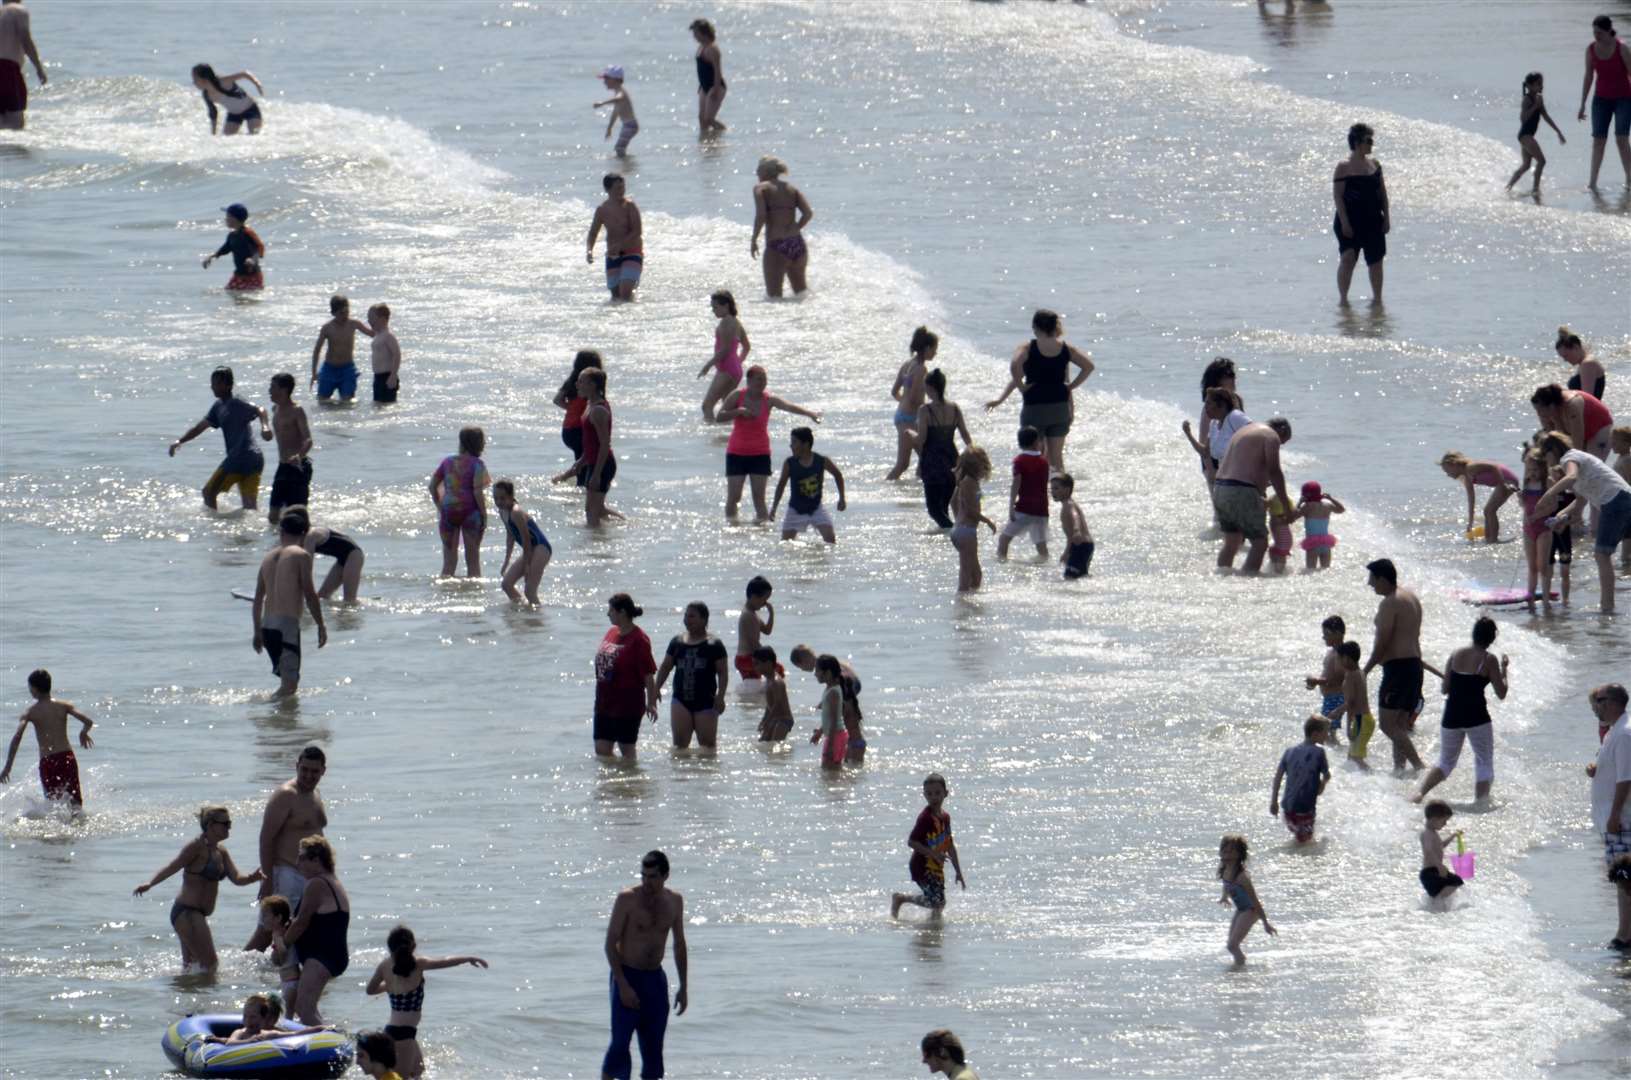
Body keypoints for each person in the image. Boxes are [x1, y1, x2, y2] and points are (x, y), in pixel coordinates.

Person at [133, 805, 262, 970]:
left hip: (196, 915)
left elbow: (237, 878)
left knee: (190, 969)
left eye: (230, 823)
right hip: (187, 913)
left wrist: (254, 877)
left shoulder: (221, 851)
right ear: (210, 825)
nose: (229, 827)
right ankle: (208, 995)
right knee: (210, 965)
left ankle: (185, 994)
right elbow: (173, 866)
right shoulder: (196, 847)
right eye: (225, 823)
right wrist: (150, 884)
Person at [602, 850, 688, 1080]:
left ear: (665, 876)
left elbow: (679, 945)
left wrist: (683, 986)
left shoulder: (674, 901)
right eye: (643, 876)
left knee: (653, 1050)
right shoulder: (627, 899)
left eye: (652, 877)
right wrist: (622, 985)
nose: (646, 882)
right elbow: (610, 945)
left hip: (655, 980)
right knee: (620, 1044)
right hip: (627, 975)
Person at [365, 925, 489, 1079]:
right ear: (413, 946)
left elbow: (370, 990)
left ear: (390, 949)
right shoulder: (419, 963)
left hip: (393, 1031)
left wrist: (388, 986)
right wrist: (469, 958)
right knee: (400, 1078)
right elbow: (445, 961)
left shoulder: (383, 966)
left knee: (418, 1071)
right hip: (404, 1035)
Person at [984, 309, 1096, 473]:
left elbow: (1015, 367)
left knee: (1035, 456)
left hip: (1035, 409)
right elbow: (1089, 366)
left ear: (1036, 327)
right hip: (1059, 409)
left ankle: (1038, 494)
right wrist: (1070, 387)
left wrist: (1020, 388)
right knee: (1056, 459)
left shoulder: (1029, 348)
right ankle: (1062, 495)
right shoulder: (1066, 349)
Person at [1413, 617, 1508, 805]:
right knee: (1484, 761)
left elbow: (1444, 689)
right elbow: (1501, 693)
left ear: (1474, 633)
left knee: (1445, 762)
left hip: (1451, 716)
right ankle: (1480, 803)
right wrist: (1504, 670)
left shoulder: (1455, 654)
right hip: (1476, 717)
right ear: (1491, 639)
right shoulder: (1489, 660)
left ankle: (1419, 794)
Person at [1532, 430, 1631, 612]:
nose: (1546, 463)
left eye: (1545, 457)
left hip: (1615, 502)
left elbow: (1571, 477)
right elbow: (1579, 504)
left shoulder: (1570, 457)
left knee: (1602, 555)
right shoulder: (1577, 461)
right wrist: (1561, 517)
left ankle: (1607, 607)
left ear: (1552, 451)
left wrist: (1547, 495)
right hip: (1624, 500)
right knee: (1605, 555)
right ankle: (1608, 605)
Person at [244, 747, 327, 953]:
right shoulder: (286, 795)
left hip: (310, 877)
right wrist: (267, 880)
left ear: (323, 771)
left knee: (300, 929)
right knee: (267, 930)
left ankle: (281, 971)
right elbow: (266, 839)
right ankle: (241, 971)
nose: (309, 775)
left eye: (314, 771)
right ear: (296, 766)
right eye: (304, 769)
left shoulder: (315, 793)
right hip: (286, 873)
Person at [717, 365, 821, 522]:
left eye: (765, 379)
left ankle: (762, 533)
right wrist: (738, 412)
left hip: (760, 454)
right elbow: (720, 417)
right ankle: (732, 528)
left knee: (759, 498)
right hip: (736, 453)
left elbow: (789, 406)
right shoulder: (737, 396)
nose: (763, 382)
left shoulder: (768, 400)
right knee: (734, 497)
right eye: (759, 379)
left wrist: (810, 414)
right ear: (749, 380)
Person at [1362, 559, 1431, 772]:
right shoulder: (1411, 597)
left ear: (1382, 578)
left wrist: (1365, 670)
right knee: (1400, 725)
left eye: (1372, 579)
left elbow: (1382, 642)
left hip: (1398, 670)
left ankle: (1419, 767)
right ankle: (1399, 771)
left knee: (1387, 725)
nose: (1369, 584)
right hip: (1414, 667)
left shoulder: (1389, 602)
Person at [169, 366, 269, 511]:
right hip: (255, 459)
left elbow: (260, 410)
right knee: (249, 508)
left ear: (228, 385)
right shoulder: (218, 407)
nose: (212, 387)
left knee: (208, 493)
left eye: (216, 383)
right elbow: (199, 428)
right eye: (212, 383)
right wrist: (180, 441)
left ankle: (214, 527)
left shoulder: (236, 402)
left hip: (240, 457)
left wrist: (265, 427)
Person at [252, 511, 327, 697]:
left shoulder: (267, 557)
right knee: (290, 686)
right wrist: (321, 625)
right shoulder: (301, 555)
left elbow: (258, 598)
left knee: (288, 682)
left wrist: (256, 631)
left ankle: (279, 722)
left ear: (281, 532)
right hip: (286, 627)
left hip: (267, 626)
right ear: (304, 534)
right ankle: (269, 715)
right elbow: (310, 594)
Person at [0, 669, 93, 812]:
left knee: (53, 805)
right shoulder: (64, 706)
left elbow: (17, 737)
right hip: (67, 757)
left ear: (34, 689)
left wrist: (8, 767)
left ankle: (62, 833)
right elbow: (88, 721)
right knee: (75, 804)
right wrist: (83, 733)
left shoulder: (30, 712)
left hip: (48, 761)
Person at [282, 835, 349, 1025]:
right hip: (327, 955)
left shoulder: (318, 884)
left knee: (304, 1008)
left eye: (301, 858)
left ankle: (334, 1050)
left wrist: (283, 945)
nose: (297, 863)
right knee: (303, 1007)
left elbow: (301, 922)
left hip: (323, 957)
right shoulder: (329, 880)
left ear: (316, 859)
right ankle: (326, 1038)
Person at [1211, 417, 1293, 574]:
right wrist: (1285, 505)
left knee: (1232, 542)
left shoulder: (1244, 431)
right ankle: (1247, 585)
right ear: (1281, 430)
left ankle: (1222, 577)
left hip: (1221, 488)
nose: (1279, 445)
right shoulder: (1270, 435)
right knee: (1260, 543)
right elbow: (1274, 471)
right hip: (1241, 489)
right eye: (1282, 442)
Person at [1586, 684, 1631, 948]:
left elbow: (1626, 779)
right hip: (1613, 819)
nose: (1597, 706)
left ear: (1613, 702)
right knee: (1622, 878)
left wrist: (1614, 815)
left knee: (1625, 876)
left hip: (1622, 819)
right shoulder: (1615, 731)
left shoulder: (1624, 733)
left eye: (1600, 701)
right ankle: (1624, 931)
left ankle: (1625, 935)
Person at [654, 602, 729, 750]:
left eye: (692, 616)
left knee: (707, 747)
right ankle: (680, 773)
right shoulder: (677, 642)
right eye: (686, 616)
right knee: (679, 747)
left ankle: (706, 773)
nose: (687, 620)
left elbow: (723, 673)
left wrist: (720, 696)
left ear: (704, 619)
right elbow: (665, 667)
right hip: (680, 700)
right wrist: (656, 688)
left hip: (707, 701)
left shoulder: (714, 645)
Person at [553, 366, 621, 528]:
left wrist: (596, 474)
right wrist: (581, 462)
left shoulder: (598, 410)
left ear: (592, 385)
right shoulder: (589, 405)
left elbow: (604, 444)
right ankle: (624, 525)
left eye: (581, 381)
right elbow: (592, 443)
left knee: (592, 512)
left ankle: (596, 548)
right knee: (596, 509)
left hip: (603, 465)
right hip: (593, 461)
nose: (577, 385)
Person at [593, 594, 659, 761]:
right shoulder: (611, 632)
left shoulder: (639, 639)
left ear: (622, 612)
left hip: (627, 704)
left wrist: (651, 703)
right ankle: (613, 785)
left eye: (611, 611)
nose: (608, 614)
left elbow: (648, 674)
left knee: (626, 750)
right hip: (604, 702)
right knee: (602, 749)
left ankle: (631, 785)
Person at [891, 773, 966, 918]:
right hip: (921, 866)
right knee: (936, 902)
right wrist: (934, 854)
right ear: (924, 795)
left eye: (938, 793)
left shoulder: (945, 818)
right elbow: (911, 842)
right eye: (929, 794)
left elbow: (950, 845)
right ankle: (901, 899)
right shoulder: (925, 818)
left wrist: (958, 871)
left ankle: (932, 932)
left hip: (936, 867)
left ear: (946, 794)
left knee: (939, 904)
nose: (934, 797)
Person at [1332, 122, 1389, 304]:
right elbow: (1338, 197)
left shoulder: (1375, 165)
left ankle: (1377, 300)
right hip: (1349, 221)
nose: (1371, 144)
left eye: (1372, 140)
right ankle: (1343, 300)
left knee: (1376, 262)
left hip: (1373, 220)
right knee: (1348, 259)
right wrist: (1345, 222)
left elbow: (1383, 194)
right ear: (1357, 142)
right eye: (1368, 140)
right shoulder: (1343, 167)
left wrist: (1386, 218)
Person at [912, 367, 973, 530]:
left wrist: (909, 434)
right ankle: (951, 539)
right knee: (943, 506)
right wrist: (972, 454)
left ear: (931, 388)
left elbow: (921, 439)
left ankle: (956, 532)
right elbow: (965, 435)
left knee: (934, 510)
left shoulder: (925, 410)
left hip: (932, 463)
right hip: (952, 461)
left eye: (926, 387)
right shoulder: (954, 408)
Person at [1578, 14, 1631, 190]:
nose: (1596, 36)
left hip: (1624, 98)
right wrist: (1582, 104)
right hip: (1600, 100)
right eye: (1594, 32)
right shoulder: (1591, 50)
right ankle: (1592, 183)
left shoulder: (1621, 48)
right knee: (1598, 140)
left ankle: (1629, 179)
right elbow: (1588, 77)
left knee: (1621, 139)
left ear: (1609, 31)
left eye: (1599, 32)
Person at [1180, 359, 1245, 499]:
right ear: (1216, 381)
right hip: (1214, 463)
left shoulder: (1237, 400)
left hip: (1234, 461)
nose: (1233, 378)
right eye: (1228, 375)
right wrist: (1211, 471)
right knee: (1222, 510)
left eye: (1233, 374)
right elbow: (1204, 443)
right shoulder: (1211, 406)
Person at [430, 427, 490, 578]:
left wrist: (439, 505)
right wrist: (484, 514)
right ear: (478, 444)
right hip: (470, 511)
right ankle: (475, 594)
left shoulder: (447, 462)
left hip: (449, 510)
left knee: (449, 562)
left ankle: (445, 592)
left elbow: (432, 486)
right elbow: (477, 491)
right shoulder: (477, 464)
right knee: (473, 561)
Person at [788, 645, 865, 762]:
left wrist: (822, 731)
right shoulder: (829, 661)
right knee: (848, 718)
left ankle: (847, 741)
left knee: (841, 715)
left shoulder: (825, 667)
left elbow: (834, 717)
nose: (803, 670)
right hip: (853, 682)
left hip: (849, 683)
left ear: (803, 661)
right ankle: (850, 740)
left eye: (800, 667)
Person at [770, 427, 846, 543]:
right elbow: (781, 486)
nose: (791, 446)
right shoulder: (790, 463)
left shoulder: (821, 461)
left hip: (816, 509)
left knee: (831, 540)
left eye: (794, 442)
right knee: (785, 544)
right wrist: (774, 508)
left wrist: (842, 498)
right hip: (795, 510)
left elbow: (838, 475)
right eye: (791, 442)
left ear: (805, 444)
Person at [751, 156, 813, 298]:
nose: (756, 174)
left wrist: (754, 239)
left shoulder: (761, 188)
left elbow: (761, 215)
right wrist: (795, 228)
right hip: (797, 244)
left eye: (758, 170)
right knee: (802, 295)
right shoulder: (791, 188)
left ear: (765, 171)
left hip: (777, 245)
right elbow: (808, 213)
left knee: (774, 298)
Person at [1216, 835, 1276, 967]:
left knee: (1232, 945)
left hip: (1251, 910)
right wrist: (1224, 896)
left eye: (1231, 850)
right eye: (1224, 849)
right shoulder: (1225, 869)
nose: (1226, 852)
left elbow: (1255, 900)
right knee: (1230, 945)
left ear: (1238, 854)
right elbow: (1226, 884)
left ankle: (1240, 969)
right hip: (1241, 909)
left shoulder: (1242, 877)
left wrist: (1265, 923)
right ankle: (1240, 966)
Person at [1271, 715, 1332, 844]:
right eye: (1326, 733)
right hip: (1305, 810)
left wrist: (1274, 802)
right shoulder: (1319, 752)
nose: (1327, 736)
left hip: (1288, 809)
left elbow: (1277, 778)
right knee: (1306, 844)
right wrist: (1324, 782)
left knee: (1301, 841)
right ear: (1315, 734)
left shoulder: (1289, 751)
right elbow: (1323, 782)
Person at [887, 327, 938, 480]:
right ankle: (887, 487)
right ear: (927, 348)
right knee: (903, 464)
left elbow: (894, 391)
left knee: (926, 459)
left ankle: (918, 490)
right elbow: (916, 399)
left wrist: (904, 402)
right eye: (934, 349)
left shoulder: (907, 364)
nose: (935, 353)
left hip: (902, 416)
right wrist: (930, 412)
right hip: (909, 420)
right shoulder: (921, 369)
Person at [996, 426, 1051, 563]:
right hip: (1042, 508)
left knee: (1004, 539)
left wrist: (1010, 507)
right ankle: (1045, 567)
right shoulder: (1044, 462)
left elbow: (1016, 483)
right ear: (1036, 442)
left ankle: (1002, 564)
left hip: (1025, 507)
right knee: (1041, 545)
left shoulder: (1019, 461)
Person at [265, 373, 313, 527]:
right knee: (273, 516)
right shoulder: (274, 409)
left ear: (284, 390)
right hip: (282, 467)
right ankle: (278, 543)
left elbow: (308, 439)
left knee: (297, 516)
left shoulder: (296, 410)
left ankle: (302, 543)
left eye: (273, 387)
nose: (269, 391)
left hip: (298, 467)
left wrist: (299, 455)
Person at [493, 480, 552, 605]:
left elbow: (526, 540)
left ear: (511, 496)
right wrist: (506, 561)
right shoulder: (502, 511)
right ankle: (524, 612)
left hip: (541, 548)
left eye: (502, 498)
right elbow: (510, 536)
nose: (498, 502)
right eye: (496, 498)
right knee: (506, 584)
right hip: (531, 550)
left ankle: (537, 618)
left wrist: (527, 566)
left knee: (529, 591)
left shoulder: (516, 512)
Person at [1438, 452, 1519, 542]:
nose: (1447, 475)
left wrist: (1503, 483)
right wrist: (1470, 523)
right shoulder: (1467, 478)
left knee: (1490, 510)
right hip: (1502, 483)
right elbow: (1471, 500)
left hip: (1507, 481)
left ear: (1454, 465)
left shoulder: (1471, 467)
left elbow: (1493, 467)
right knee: (1487, 511)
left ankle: (1494, 539)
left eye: (1447, 471)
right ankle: (1489, 539)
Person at [1507, 72, 1566, 193]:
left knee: (1526, 165)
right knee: (1542, 161)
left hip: (1527, 136)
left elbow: (1546, 116)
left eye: (1542, 84)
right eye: (1538, 84)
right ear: (1529, 86)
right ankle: (1535, 189)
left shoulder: (1538, 99)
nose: (1541, 86)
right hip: (1525, 135)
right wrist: (1535, 106)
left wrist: (1558, 131)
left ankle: (1508, 187)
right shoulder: (1527, 100)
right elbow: (1523, 119)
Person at [588, 174, 643, 302]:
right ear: (607, 190)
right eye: (617, 188)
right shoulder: (602, 210)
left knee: (625, 293)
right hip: (613, 256)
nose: (622, 191)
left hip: (632, 252)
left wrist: (620, 246)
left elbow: (637, 231)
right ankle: (619, 319)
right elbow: (593, 233)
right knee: (616, 296)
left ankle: (633, 316)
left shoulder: (630, 206)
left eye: (623, 187)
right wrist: (589, 251)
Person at [311, 294, 374, 404]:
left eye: (346, 312)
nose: (345, 315)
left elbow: (372, 333)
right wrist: (314, 373)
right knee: (323, 401)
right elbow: (317, 350)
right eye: (341, 313)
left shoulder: (354, 324)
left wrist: (380, 326)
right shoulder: (327, 328)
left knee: (348, 402)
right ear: (333, 313)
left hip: (347, 369)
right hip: (329, 369)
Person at [950, 447, 997, 593]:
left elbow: (953, 502)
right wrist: (987, 521)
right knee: (966, 574)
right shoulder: (968, 482)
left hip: (963, 530)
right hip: (966, 532)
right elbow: (970, 510)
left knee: (976, 576)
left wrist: (958, 519)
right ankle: (961, 605)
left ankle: (969, 606)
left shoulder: (967, 482)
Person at [1532, 382, 1614, 463]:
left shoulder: (1572, 404)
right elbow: (1553, 440)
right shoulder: (1545, 412)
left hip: (1599, 429)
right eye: (1536, 410)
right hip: (1577, 431)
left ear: (1552, 406)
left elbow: (1577, 445)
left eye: (1540, 410)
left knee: (1589, 464)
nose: (1539, 414)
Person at [697, 292, 748, 422]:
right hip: (735, 369)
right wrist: (738, 362)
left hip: (726, 369)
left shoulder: (726, 322)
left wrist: (707, 366)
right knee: (727, 408)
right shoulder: (736, 322)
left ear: (726, 305)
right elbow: (747, 347)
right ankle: (726, 436)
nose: (713, 311)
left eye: (715, 307)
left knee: (707, 406)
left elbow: (725, 350)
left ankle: (712, 436)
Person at [200, 994, 327, 1045]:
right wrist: (249, 1041)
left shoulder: (268, 1034)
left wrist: (322, 1028)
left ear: (263, 1020)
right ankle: (217, 1039)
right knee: (224, 1040)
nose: (249, 1021)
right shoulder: (240, 1033)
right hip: (236, 1048)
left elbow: (295, 1033)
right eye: (246, 1017)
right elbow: (230, 1043)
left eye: (254, 1017)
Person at [1329, 641, 1377, 768]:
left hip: (1361, 720)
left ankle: (1373, 779)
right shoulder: (1360, 672)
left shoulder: (1350, 676)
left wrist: (1336, 712)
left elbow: (1350, 703)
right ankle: (1364, 782)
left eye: (1339, 659)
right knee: (1351, 758)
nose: (1338, 662)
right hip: (1365, 719)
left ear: (1346, 659)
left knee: (1355, 759)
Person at [0, 0, 45, 131]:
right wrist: (38, 68)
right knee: (16, 124)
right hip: (8, 68)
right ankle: (12, 152)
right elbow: (25, 38)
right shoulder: (18, 10)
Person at [201, 204, 266, 290]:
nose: (225, 219)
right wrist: (212, 257)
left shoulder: (248, 233)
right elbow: (225, 249)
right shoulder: (232, 235)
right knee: (231, 293)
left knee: (249, 297)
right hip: (239, 274)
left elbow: (259, 247)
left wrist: (253, 259)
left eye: (227, 216)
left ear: (235, 218)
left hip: (252, 274)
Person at [555, 350, 603, 461]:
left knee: (580, 458)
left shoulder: (571, 381)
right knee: (587, 459)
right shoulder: (591, 383)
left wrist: (572, 409)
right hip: (580, 428)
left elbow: (557, 400)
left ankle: (578, 477)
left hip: (567, 429)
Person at [190, 62, 262, 134]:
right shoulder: (207, 95)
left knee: (254, 134)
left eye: (195, 79)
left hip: (251, 109)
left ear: (204, 78)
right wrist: (213, 134)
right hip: (234, 115)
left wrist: (257, 84)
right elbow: (213, 114)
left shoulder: (223, 81)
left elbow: (244, 74)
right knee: (226, 138)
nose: (193, 83)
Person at [1418, 801, 1465, 910]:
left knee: (1456, 881)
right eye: (1444, 821)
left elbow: (1440, 846)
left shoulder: (1433, 833)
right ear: (1435, 819)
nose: (1445, 824)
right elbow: (1428, 850)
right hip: (1430, 873)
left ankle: (1437, 906)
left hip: (1435, 870)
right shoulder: (1426, 834)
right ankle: (1435, 904)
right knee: (1454, 882)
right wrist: (1439, 865)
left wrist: (1453, 836)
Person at [304, 522, 365, 603]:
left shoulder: (311, 536)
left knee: (349, 600)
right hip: (342, 558)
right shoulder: (294, 538)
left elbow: (307, 567)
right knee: (322, 597)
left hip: (354, 555)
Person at [1305, 615, 1346, 726]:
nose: (1323, 637)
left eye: (1326, 634)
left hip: (1335, 698)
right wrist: (1315, 682)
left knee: (1327, 731)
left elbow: (1337, 679)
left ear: (1338, 634)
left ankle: (1335, 744)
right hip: (1330, 698)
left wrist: (1316, 681)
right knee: (1327, 731)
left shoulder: (1341, 654)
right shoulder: (1331, 652)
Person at [1052, 473, 1095, 579]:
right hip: (1083, 545)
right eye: (1051, 489)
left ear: (1067, 489)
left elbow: (1075, 516)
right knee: (1080, 577)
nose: (1053, 492)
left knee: (1070, 578)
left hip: (1081, 545)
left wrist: (1077, 530)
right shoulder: (1068, 504)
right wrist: (1067, 552)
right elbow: (1069, 537)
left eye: (1056, 488)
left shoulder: (1069, 504)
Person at [734, 576, 774, 683]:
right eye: (764, 599)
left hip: (747, 658)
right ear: (754, 597)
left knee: (753, 685)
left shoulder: (753, 614)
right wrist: (770, 659)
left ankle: (750, 698)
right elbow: (754, 644)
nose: (765, 603)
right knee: (778, 670)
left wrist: (771, 613)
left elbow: (767, 631)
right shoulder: (748, 615)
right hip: (746, 658)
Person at [690, 18, 727, 134]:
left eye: (696, 33)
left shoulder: (712, 49)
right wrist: (701, 87)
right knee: (701, 119)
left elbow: (717, 71)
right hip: (704, 87)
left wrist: (715, 89)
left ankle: (726, 132)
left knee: (709, 119)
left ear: (704, 33)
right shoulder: (701, 47)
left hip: (715, 86)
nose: (694, 36)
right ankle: (706, 142)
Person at [594, 64, 638, 157]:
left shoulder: (621, 92)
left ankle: (625, 166)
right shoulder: (617, 93)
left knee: (619, 148)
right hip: (628, 125)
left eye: (606, 79)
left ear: (614, 80)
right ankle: (624, 164)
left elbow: (619, 98)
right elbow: (615, 113)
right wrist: (609, 128)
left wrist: (602, 103)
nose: (604, 82)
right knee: (619, 148)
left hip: (630, 126)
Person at [1297, 481, 1344, 569]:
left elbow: (1293, 516)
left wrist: (1299, 503)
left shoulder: (1307, 506)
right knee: (1326, 569)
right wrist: (1331, 499)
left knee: (1310, 571)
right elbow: (1341, 509)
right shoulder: (1327, 505)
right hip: (1326, 543)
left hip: (1312, 544)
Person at [754, 647, 793, 742]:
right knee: (763, 741)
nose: (755, 667)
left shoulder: (776, 682)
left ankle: (781, 757)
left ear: (768, 663)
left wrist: (767, 721)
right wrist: (764, 719)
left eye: (757, 664)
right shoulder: (768, 680)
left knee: (775, 745)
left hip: (784, 720)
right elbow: (769, 705)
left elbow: (777, 704)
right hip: (774, 718)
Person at [1557, 325, 1606, 400]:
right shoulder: (1585, 363)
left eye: (1566, 355)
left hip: (1590, 411)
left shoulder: (1588, 364)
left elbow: (1587, 398)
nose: (1565, 360)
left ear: (1576, 347)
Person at [369, 304, 401, 404]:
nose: (369, 321)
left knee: (387, 405)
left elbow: (397, 354)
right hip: (377, 377)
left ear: (382, 319)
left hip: (387, 377)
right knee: (377, 405)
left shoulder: (388, 336)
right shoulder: (377, 335)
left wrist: (393, 375)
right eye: (368, 319)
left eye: (372, 318)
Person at [1614, 426, 1631, 566]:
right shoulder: (1621, 458)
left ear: (1626, 443)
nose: (1612, 444)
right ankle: (1625, 563)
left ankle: (1626, 563)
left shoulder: (1627, 460)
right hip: (1621, 502)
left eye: (1615, 441)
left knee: (1627, 535)